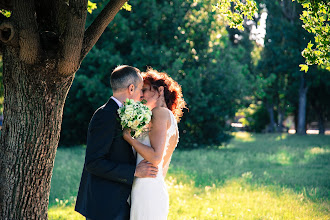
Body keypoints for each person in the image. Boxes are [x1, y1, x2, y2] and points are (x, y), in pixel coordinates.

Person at [75, 65, 158, 220]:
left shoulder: (122, 114)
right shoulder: (105, 115)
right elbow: (94, 163)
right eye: (140, 89)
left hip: (118, 200)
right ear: (131, 88)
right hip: (106, 205)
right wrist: (133, 171)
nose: (142, 95)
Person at [123, 68, 186, 220]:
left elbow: (156, 157)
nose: (141, 94)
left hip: (147, 189)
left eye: (144, 89)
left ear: (160, 90)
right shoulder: (163, 116)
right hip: (150, 187)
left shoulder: (160, 113)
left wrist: (128, 137)